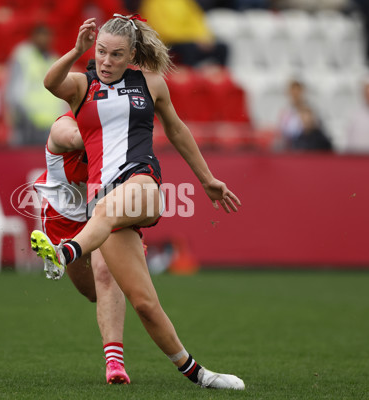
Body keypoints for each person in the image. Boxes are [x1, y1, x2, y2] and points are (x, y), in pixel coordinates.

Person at [30, 14, 245, 390]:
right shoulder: (82, 85)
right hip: (104, 198)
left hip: (141, 180)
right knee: (143, 302)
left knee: (105, 209)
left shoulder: (151, 83)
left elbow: (176, 129)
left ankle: (64, 253)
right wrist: (76, 51)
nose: (107, 61)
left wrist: (207, 179)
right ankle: (200, 374)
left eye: (116, 55)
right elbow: (50, 82)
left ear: (132, 55)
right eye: (101, 53)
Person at [33, 110, 131, 384]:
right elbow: (79, 137)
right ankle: (56, 256)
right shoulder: (64, 126)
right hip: (64, 218)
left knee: (105, 275)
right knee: (92, 292)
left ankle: (114, 363)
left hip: (102, 208)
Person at [6, 24, 66, 146]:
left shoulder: (55, 60)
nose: (44, 39)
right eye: (40, 35)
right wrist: (17, 113)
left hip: (50, 123)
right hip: (27, 121)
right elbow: (14, 89)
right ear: (33, 37)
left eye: (47, 36)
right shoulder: (23, 56)